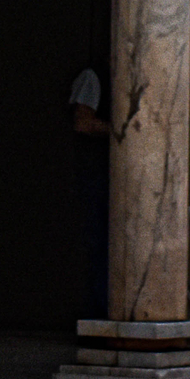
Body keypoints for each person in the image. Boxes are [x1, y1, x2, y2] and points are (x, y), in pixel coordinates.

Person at [68, 64, 111, 319]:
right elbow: (83, 123)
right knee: (99, 245)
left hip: (105, 174)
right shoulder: (93, 77)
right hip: (95, 174)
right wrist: (121, 130)